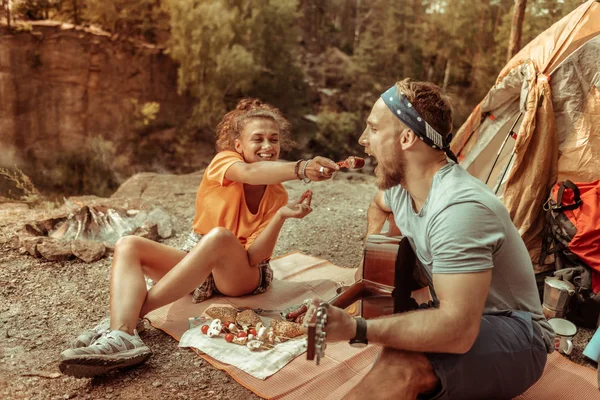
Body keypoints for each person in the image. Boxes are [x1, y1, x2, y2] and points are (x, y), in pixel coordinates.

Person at [308, 79, 555, 400]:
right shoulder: (400, 189)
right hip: (458, 314)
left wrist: (358, 329)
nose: (362, 140)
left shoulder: (461, 209)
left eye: (373, 128)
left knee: (401, 361)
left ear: (407, 137)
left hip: (519, 336)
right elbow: (377, 204)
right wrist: (373, 265)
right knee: (402, 324)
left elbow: (458, 332)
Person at [59, 98, 339, 378]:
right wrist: (302, 168)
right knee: (128, 244)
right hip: (197, 261)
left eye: (273, 139)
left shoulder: (277, 194)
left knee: (220, 238)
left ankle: (122, 324)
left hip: (241, 275)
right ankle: (124, 333)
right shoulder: (225, 163)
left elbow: (254, 257)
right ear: (238, 146)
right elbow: (250, 173)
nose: (268, 146)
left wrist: (281, 216)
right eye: (258, 139)